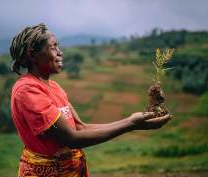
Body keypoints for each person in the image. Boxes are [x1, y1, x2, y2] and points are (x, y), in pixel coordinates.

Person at [10, 23, 172, 177]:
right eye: (53, 47)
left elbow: (80, 128)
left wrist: (131, 121)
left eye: (59, 46)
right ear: (32, 55)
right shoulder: (27, 90)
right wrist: (131, 124)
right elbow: (71, 138)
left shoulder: (55, 88)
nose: (60, 52)